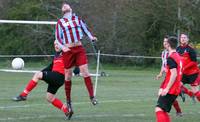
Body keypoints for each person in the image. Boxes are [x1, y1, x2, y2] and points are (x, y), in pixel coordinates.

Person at [55, 2, 98, 115]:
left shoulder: (77, 19)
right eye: (62, 5)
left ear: (70, 8)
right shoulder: (60, 22)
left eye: (66, 5)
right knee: (68, 76)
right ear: (62, 10)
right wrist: (63, 48)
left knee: (85, 72)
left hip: (79, 49)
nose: (64, 5)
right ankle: (68, 102)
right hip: (68, 51)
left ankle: (92, 96)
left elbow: (86, 30)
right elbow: (58, 38)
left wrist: (91, 37)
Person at [12, 41, 73, 120]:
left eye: (57, 44)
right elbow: (50, 66)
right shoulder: (56, 55)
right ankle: (67, 110)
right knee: (49, 98)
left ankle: (23, 95)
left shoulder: (66, 52)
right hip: (56, 78)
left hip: (59, 76)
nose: (56, 46)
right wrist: (41, 72)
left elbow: (72, 53)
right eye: (54, 44)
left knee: (38, 75)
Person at [155, 36, 182, 122]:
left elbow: (174, 74)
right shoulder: (177, 56)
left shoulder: (171, 58)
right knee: (163, 110)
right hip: (175, 88)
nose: (165, 44)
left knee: (159, 109)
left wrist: (167, 88)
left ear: (169, 44)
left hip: (171, 89)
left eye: (166, 43)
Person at [176, 33, 200, 101]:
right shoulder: (177, 49)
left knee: (196, 93)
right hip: (184, 73)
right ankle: (189, 93)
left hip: (193, 73)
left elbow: (194, 62)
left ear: (187, 39)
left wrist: (184, 68)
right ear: (180, 39)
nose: (183, 39)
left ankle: (192, 94)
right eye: (181, 37)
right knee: (177, 85)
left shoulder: (190, 49)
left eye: (184, 37)